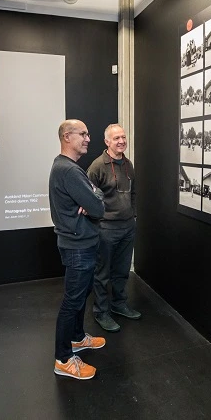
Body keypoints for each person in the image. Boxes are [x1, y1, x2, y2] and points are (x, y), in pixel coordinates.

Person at [49, 119, 106, 380]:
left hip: (80, 243)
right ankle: (63, 359)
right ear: (67, 136)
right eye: (82, 134)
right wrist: (92, 200)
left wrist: (93, 197)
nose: (88, 138)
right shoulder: (69, 171)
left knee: (80, 295)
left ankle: (76, 338)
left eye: (87, 133)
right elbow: (98, 208)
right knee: (73, 300)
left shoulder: (67, 167)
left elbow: (97, 197)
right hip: (78, 247)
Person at [87, 124, 140, 333]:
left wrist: (133, 214)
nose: (121, 141)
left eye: (123, 137)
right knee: (102, 273)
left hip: (128, 227)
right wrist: (97, 223)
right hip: (106, 228)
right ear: (107, 141)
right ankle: (101, 312)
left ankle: (119, 304)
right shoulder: (97, 166)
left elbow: (133, 192)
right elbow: (87, 197)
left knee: (122, 271)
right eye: (116, 138)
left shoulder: (128, 164)